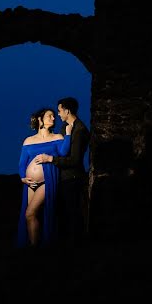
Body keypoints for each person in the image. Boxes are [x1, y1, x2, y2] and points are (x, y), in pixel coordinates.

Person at [33, 96, 90, 247]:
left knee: (72, 214)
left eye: (59, 110)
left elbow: (74, 160)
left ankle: (75, 247)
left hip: (72, 178)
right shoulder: (65, 127)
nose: (58, 114)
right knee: (63, 214)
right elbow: (62, 150)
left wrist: (51, 159)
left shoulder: (79, 130)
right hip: (62, 177)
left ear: (67, 110)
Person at [16, 108, 70, 248]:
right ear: (40, 119)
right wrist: (23, 177)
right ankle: (33, 244)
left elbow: (63, 152)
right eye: (49, 116)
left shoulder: (57, 137)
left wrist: (68, 135)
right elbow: (22, 163)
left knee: (30, 213)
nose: (53, 118)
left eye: (54, 116)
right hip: (30, 183)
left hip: (47, 179)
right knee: (32, 215)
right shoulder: (28, 140)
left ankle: (36, 249)